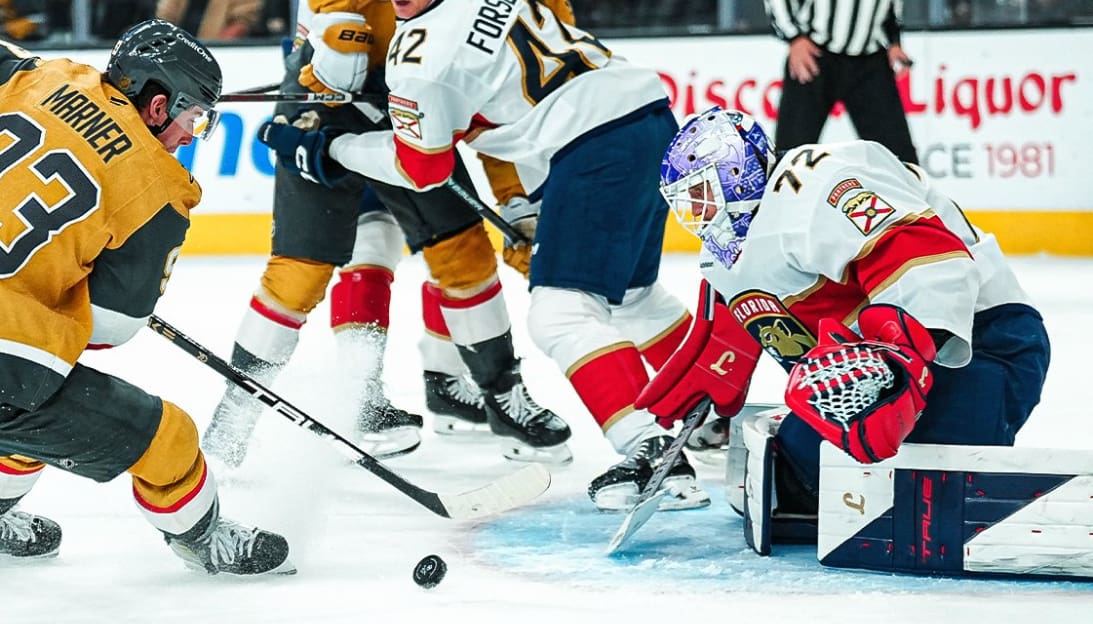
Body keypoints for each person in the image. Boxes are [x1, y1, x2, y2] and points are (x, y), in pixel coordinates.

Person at [258, 0, 709, 512]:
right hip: (647, 117)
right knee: (633, 296)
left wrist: (331, 150)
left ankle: (651, 451)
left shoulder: (419, 60)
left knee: (561, 314)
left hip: (593, 148)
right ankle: (711, 411)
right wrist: (525, 203)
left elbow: (422, 171)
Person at [203, 0, 575, 468]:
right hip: (328, 99)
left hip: (410, 92)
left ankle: (502, 396)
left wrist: (518, 201)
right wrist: (342, 56)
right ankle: (236, 417)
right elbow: (338, 63)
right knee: (301, 271)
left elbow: (498, 114)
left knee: (463, 249)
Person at [648, 106, 1050, 524]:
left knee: (934, 504)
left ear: (737, 173)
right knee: (796, 482)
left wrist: (897, 363)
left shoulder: (818, 181)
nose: (698, 216)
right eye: (687, 205)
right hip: (889, 358)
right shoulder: (727, 254)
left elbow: (925, 256)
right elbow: (781, 333)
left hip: (978, 340)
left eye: (703, 195)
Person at [0, 21, 292, 575]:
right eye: (192, 118)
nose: (190, 135)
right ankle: (203, 540)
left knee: (30, 409)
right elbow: (111, 326)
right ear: (157, 106)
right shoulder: (159, 191)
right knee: (168, 436)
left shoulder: (39, 72)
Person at [764, 0, 919, 164]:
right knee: (791, 156)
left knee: (900, 160)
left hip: (871, 56)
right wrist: (794, 36)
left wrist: (893, 39)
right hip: (814, 53)